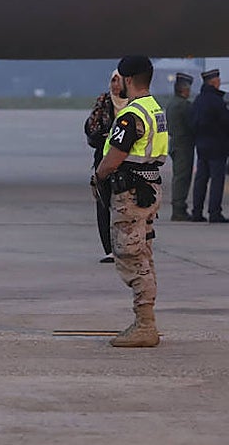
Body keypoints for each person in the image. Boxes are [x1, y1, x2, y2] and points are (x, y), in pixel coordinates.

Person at [94, 55, 169, 348]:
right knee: (144, 253)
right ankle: (145, 321)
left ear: (127, 80)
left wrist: (98, 176)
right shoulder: (155, 109)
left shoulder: (131, 115)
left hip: (131, 194)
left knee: (130, 255)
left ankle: (145, 325)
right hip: (148, 187)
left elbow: (114, 158)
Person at [84, 70, 128, 260]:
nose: (115, 85)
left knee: (124, 205)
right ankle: (109, 249)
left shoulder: (134, 103)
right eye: (113, 80)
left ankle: (125, 245)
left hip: (126, 162)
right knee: (103, 203)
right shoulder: (104, 101)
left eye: (118, 81)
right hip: (103, 158)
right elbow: (91, 129)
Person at [190, 68, 229, 223]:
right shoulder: (217, 101)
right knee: (217, 180)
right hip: (217, 146)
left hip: (202, 146)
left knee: (201, 179)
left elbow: (192, 123)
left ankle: (197, 211)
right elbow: (227, 123)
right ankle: (214, 212)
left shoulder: (198, 100)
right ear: (214, 82)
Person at [165, 72, 196, 222]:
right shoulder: (184, 105)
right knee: (182, 178)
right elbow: (192, 124)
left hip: (175, 142)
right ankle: (179, 209)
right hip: (184, 144)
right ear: (183, 89)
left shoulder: (172, 103)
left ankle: (178, 208)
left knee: (178, 176)